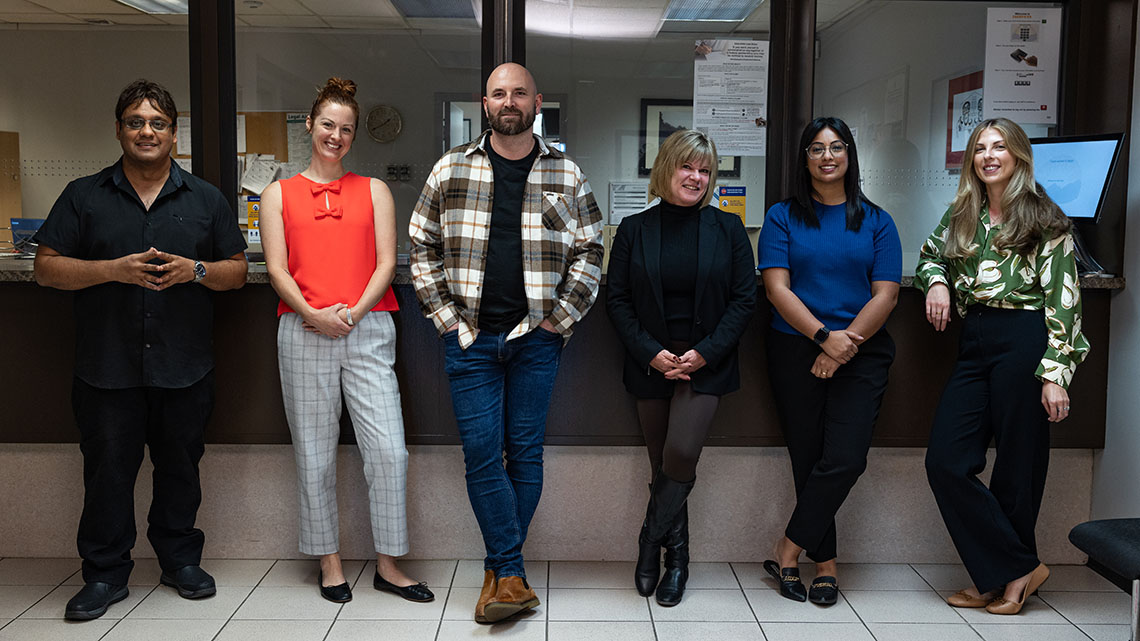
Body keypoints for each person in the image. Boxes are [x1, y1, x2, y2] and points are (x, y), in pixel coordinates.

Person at [32, 79, 248, 620]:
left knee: (181, 468)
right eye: (135, 121)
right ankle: (104, 574)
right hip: (107, 367)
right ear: (119, 129)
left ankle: (179, 561)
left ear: (174, 132)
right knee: (107, 473)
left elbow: (237, 272)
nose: (146, 131)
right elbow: (46, 268)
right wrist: (114, 270)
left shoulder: (206, 199)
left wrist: (194, 270)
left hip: (184, 366)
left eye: (157, 123)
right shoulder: (84, 196)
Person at [409, 62, 604, 623]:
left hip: (536, 341)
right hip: (469, 340)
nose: (509, 101)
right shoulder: (450, 169)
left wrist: (558, 321)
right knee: (479, 455)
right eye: (499, 93)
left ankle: (503, 572)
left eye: (519, 92)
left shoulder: (567, 174)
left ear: (537, 101)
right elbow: (420, 246)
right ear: (484, 102)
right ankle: (510, 571)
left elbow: (590, 252)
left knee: (523, 453)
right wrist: (447, 319)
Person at [259, 77, 432, 604]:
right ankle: (329, 562)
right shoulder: (277, 194)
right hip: (303, 328)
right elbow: (276, 269)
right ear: (310, 125)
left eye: (346, 129)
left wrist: (350, 315)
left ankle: (388, 564)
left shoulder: (374, 191)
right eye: (328, 125)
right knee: (314, 455)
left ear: (354, 137)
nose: (335, 135)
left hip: (368, 326)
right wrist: (314, 312)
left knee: (388, 452)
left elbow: (386, 263)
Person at [918, 117, 1089, 615]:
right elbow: (932, 257)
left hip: (1026, 338)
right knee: (946, 462)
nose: (988, 156)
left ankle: (1005, 581)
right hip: (974, 340)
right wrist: (936, 282)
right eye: (979, 148)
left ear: (1018, 156)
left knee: (1018, 466)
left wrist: (1056, 374)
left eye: (999, 147)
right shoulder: (962, 215)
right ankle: (1017, 565)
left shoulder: (1045, 218)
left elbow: (1065, 301)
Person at [606, 129, 756, 606]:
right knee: (662, 463)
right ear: (666, 168)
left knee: (682, 453)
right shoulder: (633, 229)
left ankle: (652, 545)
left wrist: (706, 352)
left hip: (704, 362)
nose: (696, 177)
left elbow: (743, 299)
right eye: (687, 166)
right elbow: (618, 300)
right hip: (651, 362)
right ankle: (677, 559)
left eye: (705, 170)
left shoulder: (728, 229)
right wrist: (650, 351)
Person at [756, 116, 901, 605]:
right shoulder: (782, 216)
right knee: (808, 458)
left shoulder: (878, 220)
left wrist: (844, 346)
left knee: (844, 458)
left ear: (850, 156)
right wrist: (822, 338)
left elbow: (886, 294)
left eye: (837, 147)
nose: (827, 156)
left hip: (862, 351)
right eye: (816, 149)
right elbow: (777, 289)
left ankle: (787, 547)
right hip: (796, 346)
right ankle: (827, 564)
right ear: (805, 159)